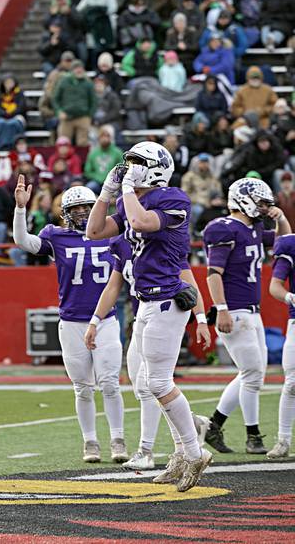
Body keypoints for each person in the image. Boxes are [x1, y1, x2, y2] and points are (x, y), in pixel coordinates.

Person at [86, 141, 212, 492]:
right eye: (127, 165)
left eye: (136, 164)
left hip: (167, 301)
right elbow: (93, 232)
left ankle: (193, 451)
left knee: (157, 382)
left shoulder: (173, 199)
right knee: (148, 383)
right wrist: (107, 192)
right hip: (146, 302)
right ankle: (181, 451)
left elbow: (141, 222)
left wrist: (126, 190)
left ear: (155, 168)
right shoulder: (132, 200)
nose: (129, 170)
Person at [13, 181, 127, 463]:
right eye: (76, 209)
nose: (83, 213)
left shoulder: (112, 233)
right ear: (65, 212)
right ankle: (90, 442)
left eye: (87, 207)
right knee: (82, 386)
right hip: (72, 321)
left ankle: (118, 439)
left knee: (110, 382)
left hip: (105, 320)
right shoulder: (56, 236)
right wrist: (20, 208)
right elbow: (22, 241)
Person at [85, 234, 211, 470]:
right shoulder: (121, 243)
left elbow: (189, 281)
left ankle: (147, 450)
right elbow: (113, 285)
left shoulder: (162, 238)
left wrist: (201, 319)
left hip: (165, 312)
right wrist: (95, 321)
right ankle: (189, 430)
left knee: (151, 385)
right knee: (143, 385)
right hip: (142, 315)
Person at [203, 178, 291, 455]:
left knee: (252, 372)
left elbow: (285, 243)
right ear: (243, 200)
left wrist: (282, 217)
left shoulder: (252, 229)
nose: (265, 209)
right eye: (262, 203)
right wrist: (222, 308)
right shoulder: (224, 229)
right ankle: (252, 435)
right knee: (252, 374)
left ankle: (213, 425)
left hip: (252, 310)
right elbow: (213, 274)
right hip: (234, 309)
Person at [268, 231, 295, 458]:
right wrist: (290, 297)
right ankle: (283, 440)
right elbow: (275, 286)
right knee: (292, 382)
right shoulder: (291, 245)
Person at [53, 61, 95, 147]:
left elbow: (93, 101)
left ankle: (82, 160)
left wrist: (89, 115)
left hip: (83, 117)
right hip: (67, 117)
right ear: (72, 70)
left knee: (83, 144)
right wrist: (59, 111)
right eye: (76, 68)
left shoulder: (88, 84)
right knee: (63, 142)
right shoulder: (63, 82)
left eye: (80, 68)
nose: (79, 70)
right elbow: (55, 99)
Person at [84, 125, 122, 192]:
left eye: (107, 136)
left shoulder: (117, 152)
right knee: (89, 188)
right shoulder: (93, 153)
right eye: (102, 136)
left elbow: (121, 168)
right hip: (96, 181)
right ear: (99, 138)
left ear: (111, 138)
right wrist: (98, 177)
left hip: (113, 181)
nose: (105, 139)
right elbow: (87, 171)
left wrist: (111, 177)